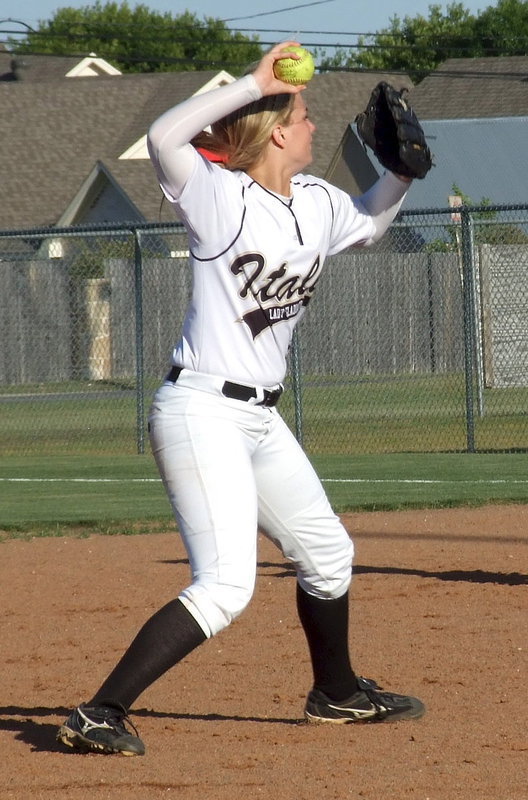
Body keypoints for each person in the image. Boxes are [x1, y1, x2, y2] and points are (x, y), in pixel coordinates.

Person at [57, 42, 425, 757]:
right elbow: (165, 137)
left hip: (257, 417)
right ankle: (99, 710)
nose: (314, 126)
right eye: (305, 116)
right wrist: (255, 81)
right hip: (200, 411)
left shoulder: (316, 202)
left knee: (327, 554)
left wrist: (402, 174)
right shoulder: (221, 198)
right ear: (277, 131)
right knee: (227, 585)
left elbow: (371, 222)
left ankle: (338, 693)